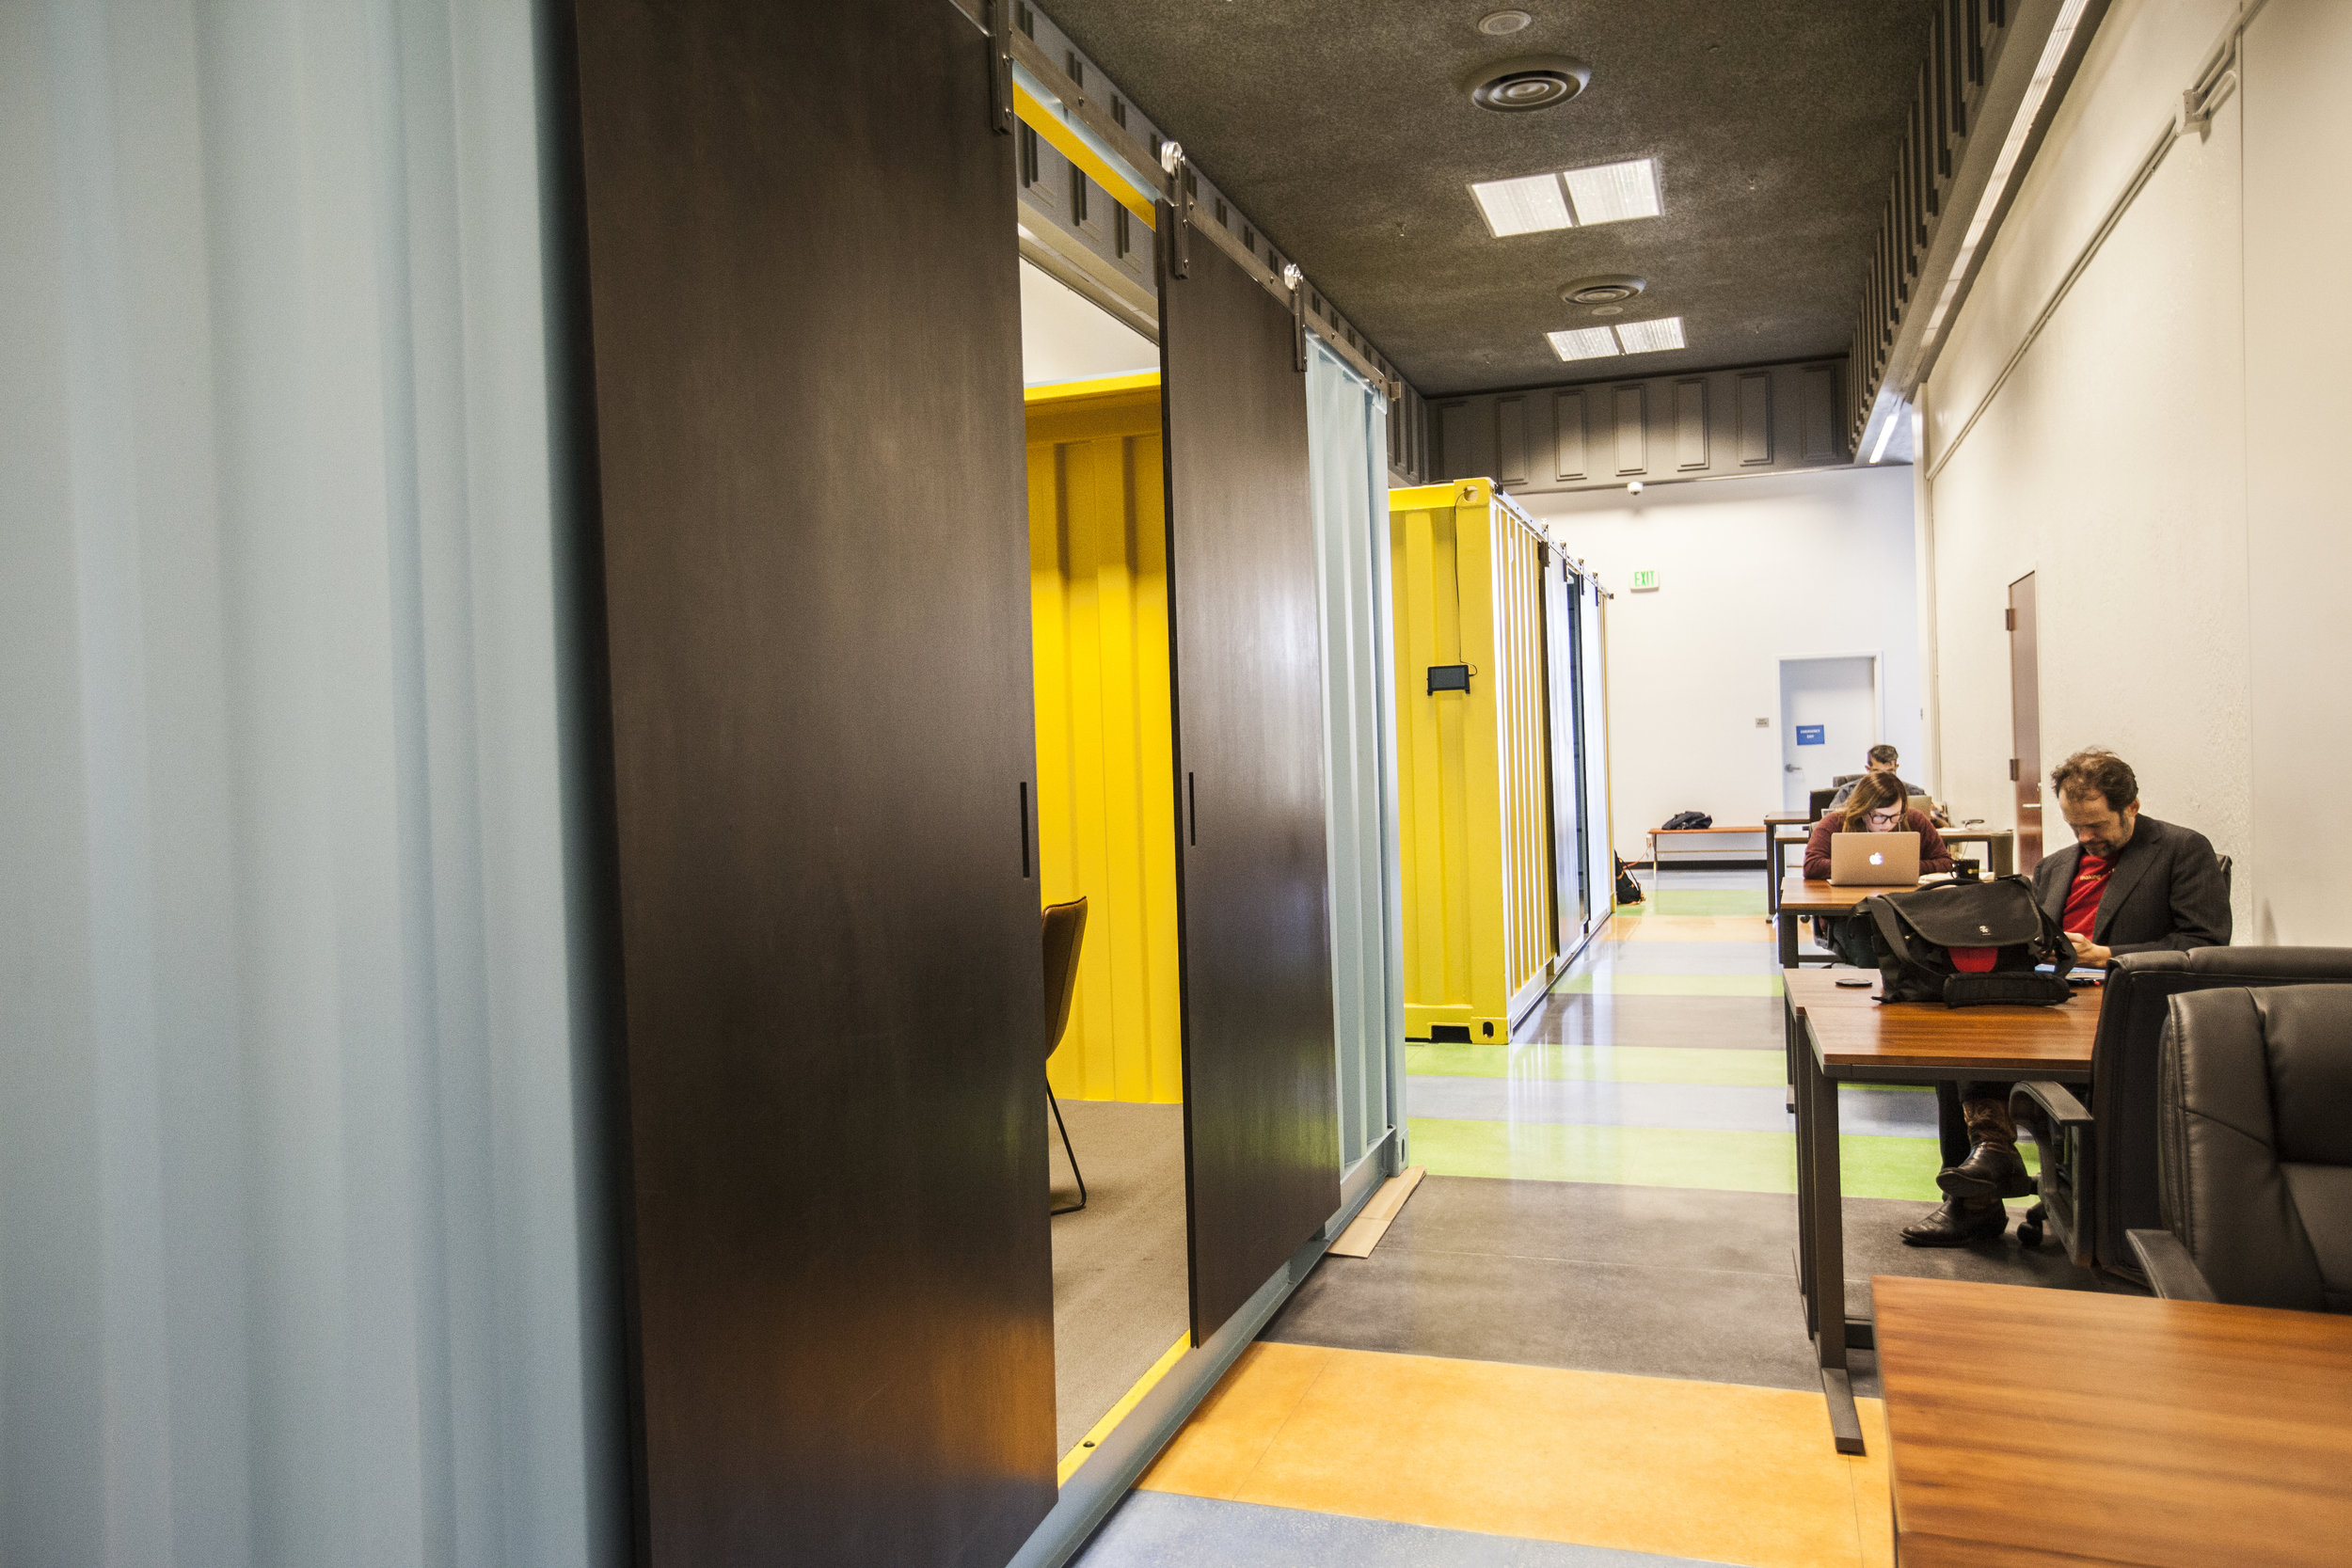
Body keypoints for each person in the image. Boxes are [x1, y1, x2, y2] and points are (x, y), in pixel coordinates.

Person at [1901, 747, 2232, 1246]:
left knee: (1984, 1048)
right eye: (2075, 825)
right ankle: (1985, 1178)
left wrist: (2107, 954)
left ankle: (1981, 1186)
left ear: (2132, 807)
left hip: (2122, 1008)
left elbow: (2205, 944)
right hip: (2053, 998)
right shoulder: (2056, 867)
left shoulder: (2181, 851)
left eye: (2096, 825)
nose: (2085, 837)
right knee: (1962, 1033)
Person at [1802, 772, 1952, 966]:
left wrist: (1904, 867)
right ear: (1863, 809)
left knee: (1928, 957)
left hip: (1906, 914)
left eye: (1895, 816)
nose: (1888, 824)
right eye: (1880, 816)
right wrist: (1855, 867)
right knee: (1874, 958)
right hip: (1853, 916)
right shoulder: (1836, 823)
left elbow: (1945, 862)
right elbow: (1811, 865)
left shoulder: (1913, 820)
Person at [1826, 744, 1913, 810]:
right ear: (1868, 769)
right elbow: (1832, 819)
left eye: (1890, 771)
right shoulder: (1848, 792)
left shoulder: (1914, 793)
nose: (1884, 778)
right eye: (1878, 772)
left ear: (1896, 767)